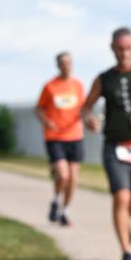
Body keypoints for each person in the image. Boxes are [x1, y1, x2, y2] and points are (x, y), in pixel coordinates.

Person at [83, 28, 131, 260]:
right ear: (112, 48)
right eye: (120, 49)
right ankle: (126, 252)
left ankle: (124, 221)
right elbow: (86, 107)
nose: (124, 53)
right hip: (115, 147)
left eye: (129, 48)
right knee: (121, 198)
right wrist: (89, 119)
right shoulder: (104, 78)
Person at [36, 52, 86, 226]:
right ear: (58, 65)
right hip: (55, 136)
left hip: (75, 135)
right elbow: (39, 109)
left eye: (69, 63)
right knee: (63, 176)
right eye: (63, 63)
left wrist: (89, 120)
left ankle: (64, 210)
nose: (66, 66)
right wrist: (47, 121)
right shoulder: (50, 86)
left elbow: (84, 109)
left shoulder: (78, 85)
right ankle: (56, 200)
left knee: (73, 178)